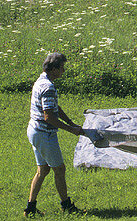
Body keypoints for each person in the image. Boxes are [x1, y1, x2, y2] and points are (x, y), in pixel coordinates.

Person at [24, 52, 87, 216]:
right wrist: (71, 130)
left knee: (43, 170)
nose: (63, 71)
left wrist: (71, 122)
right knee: (59, 169)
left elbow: (55, 108)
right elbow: (49, 116)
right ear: (53, 69)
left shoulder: (41, 81)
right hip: (44, 135)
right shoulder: (48, 87)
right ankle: (67, 206)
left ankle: (30, 209)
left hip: (34, 131)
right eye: (62, 68)